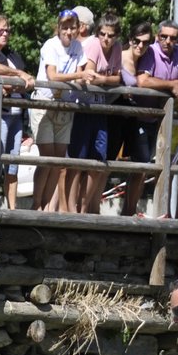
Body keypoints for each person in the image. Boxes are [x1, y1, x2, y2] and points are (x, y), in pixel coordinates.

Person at [117, 22, 178, 217]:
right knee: (142, 163)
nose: (168, 41)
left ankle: (157, 212)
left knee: (160, 165)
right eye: (164, 37)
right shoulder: (151, 52)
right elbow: (143, 80)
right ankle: (129, 211)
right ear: (157, 36)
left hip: (160, 119)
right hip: (140, 115)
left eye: (173, 38)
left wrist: (167, 84)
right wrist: (171, 85)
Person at [30, 9, 90, 212]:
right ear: (58, 28)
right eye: (65, 27)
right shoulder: (50, 45)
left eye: (72, 27)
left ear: (78, 28)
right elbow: (52, 76)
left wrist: (84, 76)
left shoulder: (78, 47)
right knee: (47, 156)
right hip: (45, 103)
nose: (69, 31)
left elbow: (83, 74)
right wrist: (78, 76)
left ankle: (47, 204)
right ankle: (36, 203)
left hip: (65, 105)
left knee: (58, 160)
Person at [0, 13, 35, 208]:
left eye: (7, 30)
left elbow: (29, 82)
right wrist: (15, 83)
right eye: (0, 30)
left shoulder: (13, 55)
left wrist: (14, 84)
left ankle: (13, 207)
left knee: (13, 164)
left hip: (18, 115)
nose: (5, 34)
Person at [71, 12, 124, 213]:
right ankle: (73, 207)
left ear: (116, 35)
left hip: (100, 107)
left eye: (110, 35)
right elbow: (91, 74)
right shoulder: (93, 44)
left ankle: (86, 206)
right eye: (102, 34)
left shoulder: (117, 48)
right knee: (79, 160)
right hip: (84, 107)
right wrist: (104, 79)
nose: (106, 39)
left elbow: (116, 78)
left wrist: (103, 80)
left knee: (98, 160)